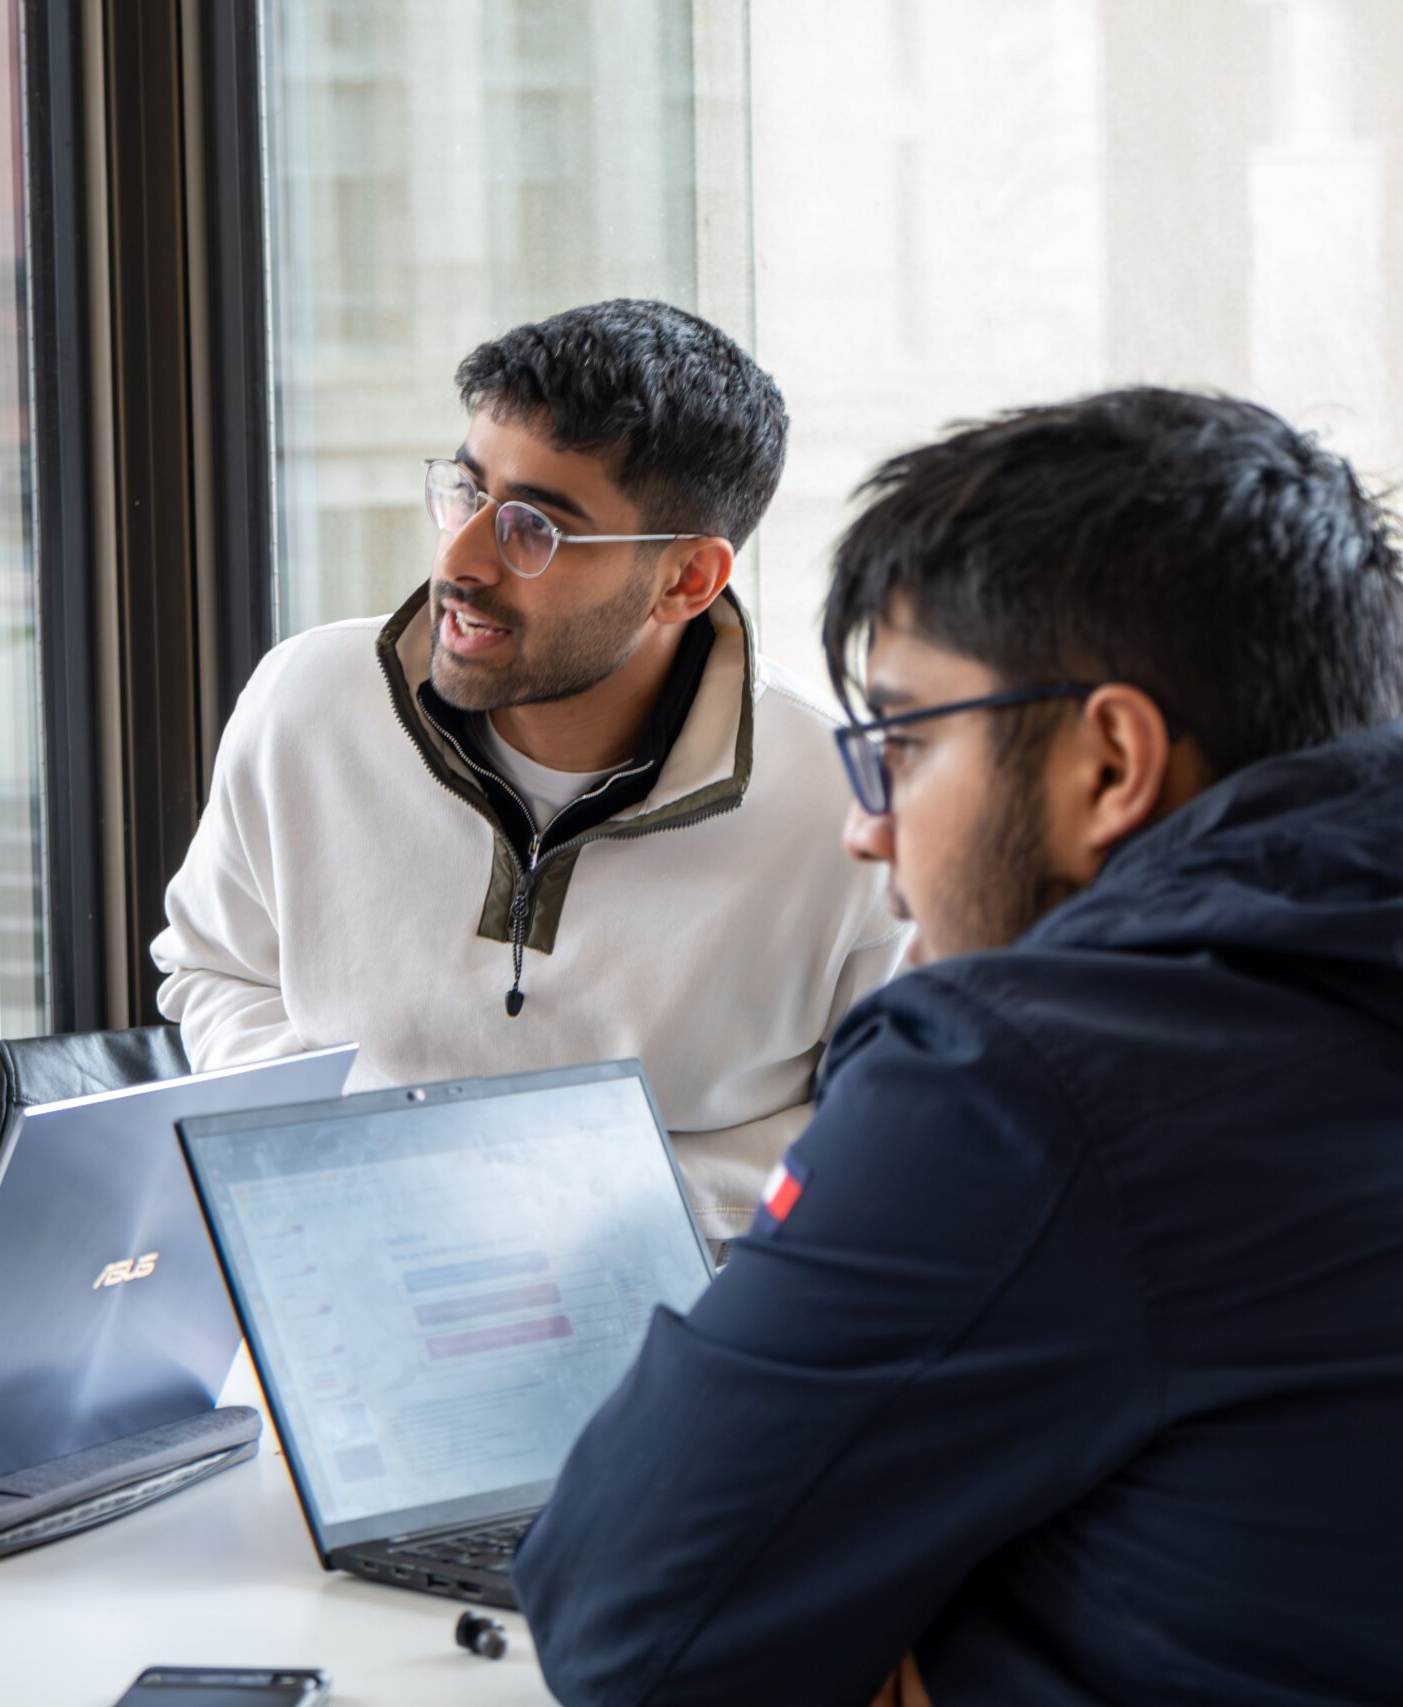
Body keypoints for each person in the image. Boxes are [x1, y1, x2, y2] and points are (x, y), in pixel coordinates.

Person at [513, 389, 1403, 1704]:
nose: (867, 830)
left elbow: (635, 1627)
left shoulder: (1027, 1076)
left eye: (908, 744)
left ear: (1107, 761)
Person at [152, 300, 907, 1243]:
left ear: (686, 580)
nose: (460, 562)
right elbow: (216, 967)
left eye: (533, 530)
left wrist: (579, 1197)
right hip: (345, 1268)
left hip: (692, 1312)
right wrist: (342, 1157)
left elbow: (885, 1128)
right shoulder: (306, 701)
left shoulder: (850, 805)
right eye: (465, 494)